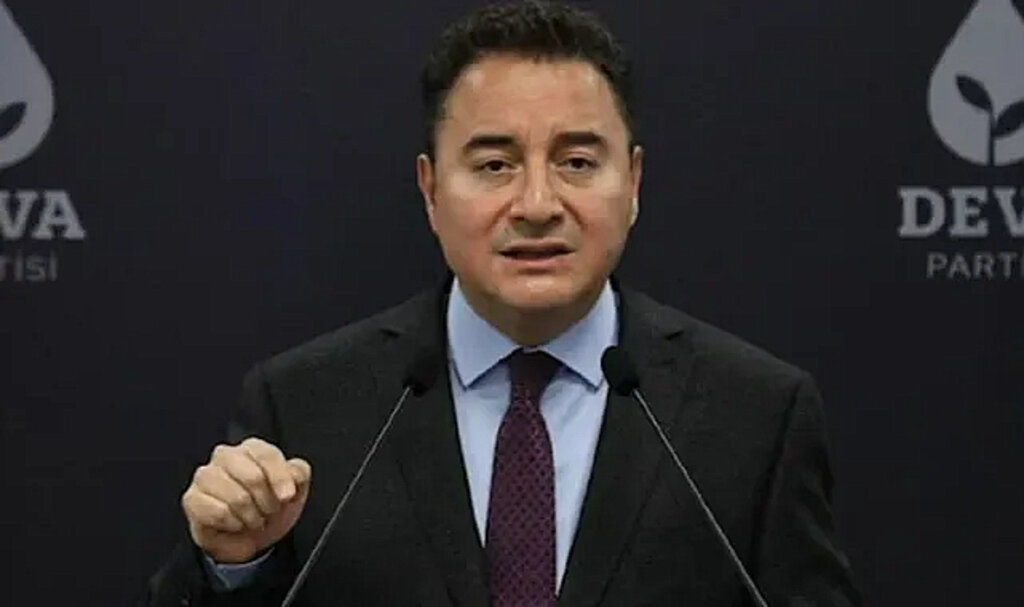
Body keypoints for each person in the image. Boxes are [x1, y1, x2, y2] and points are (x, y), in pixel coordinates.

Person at [144, 2, 860, 605]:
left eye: (577, 162)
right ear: (430, 188)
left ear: (634, 182)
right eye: (494, 165)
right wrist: (232, 567)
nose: (538, 204)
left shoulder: (755, 414)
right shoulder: (305, 405)